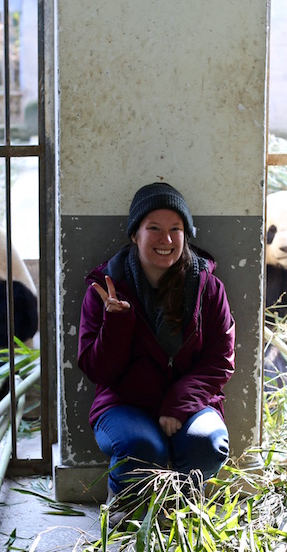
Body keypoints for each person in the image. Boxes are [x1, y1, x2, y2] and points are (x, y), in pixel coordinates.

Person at [77, 182, 235, 512]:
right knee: (141, 445)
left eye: (175, 229)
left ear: (185, 234)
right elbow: (96, 370)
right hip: (124, 405)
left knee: (208, 443)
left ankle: (181, 504)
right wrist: (117, 325)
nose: (166, 240)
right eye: (154, 229)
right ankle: (125, 502)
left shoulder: (208, 287)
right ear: (135, 234)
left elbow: (220, 360)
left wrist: (179, 402)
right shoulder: (105, 287)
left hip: (190, 404)